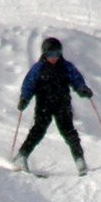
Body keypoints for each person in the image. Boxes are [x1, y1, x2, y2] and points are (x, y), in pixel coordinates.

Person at [15, 37, 94, 176]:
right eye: (50, 54)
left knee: (68, 131)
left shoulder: (66, 67)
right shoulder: (38, 68)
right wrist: (24, 99)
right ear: (44, 54)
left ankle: (79, 160)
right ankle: (22, 156)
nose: (53, 58)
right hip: (44, 104)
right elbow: (29, 84)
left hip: (62, 104)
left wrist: (82, 89)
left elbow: (76, 79)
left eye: (57, 54)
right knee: (38, 130)